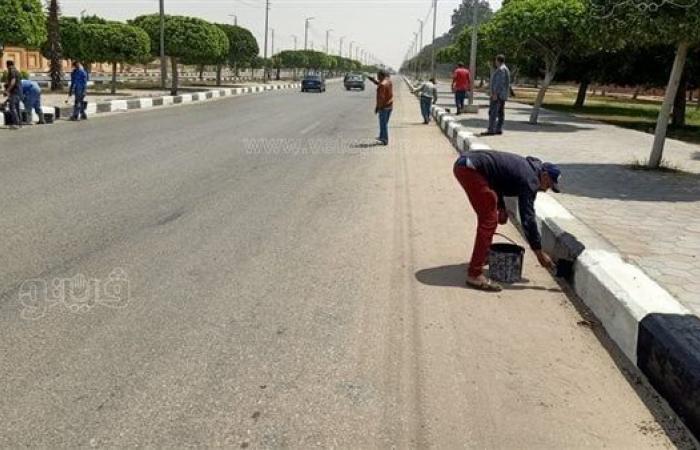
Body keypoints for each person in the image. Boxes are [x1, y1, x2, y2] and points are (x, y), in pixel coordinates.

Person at [453, 150, 560, 292]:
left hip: (469, 166)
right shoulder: (530, 180)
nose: (546, 190)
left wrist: (501, 207)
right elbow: (528, 218)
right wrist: (539, 253)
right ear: (545, 176)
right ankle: (474, 274)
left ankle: (483, 255)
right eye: (548, 185)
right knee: (488, 221)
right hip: (470, 169)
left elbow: (498, 178)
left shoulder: (529, 170)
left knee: (490, 214)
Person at [484, 54, 511, 136]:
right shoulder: (505, 69)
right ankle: (498, 129)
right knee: (500, 112)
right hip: (502, 95)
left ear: (498, 60)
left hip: (498, 95)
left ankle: (491, 129)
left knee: (493, 112)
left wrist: (495, 93)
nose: (495, 62)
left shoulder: (501, 69)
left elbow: (499, 83)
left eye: (496, 60)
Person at [367, 70, 393, 146]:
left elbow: (380, 98)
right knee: (385, 123)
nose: (377, 77)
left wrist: (377, 107)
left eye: (378, 76)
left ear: (381, 75)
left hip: (384, 107)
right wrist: (373, 80)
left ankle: (385, 139)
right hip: (389, 106)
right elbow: (380, 83)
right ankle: (382, 136)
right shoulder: (388, 81)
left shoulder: (382, 85)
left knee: (383, 124)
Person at [3, 60, 23, 129]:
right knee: (17, 108)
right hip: (19, 92)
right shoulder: (17, 71)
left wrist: (7, 90)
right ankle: (20, 123)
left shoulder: (11, 71)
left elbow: (13, 81)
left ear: (7, 65)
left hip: (14, 92)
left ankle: (16, 124)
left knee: (12, 107)